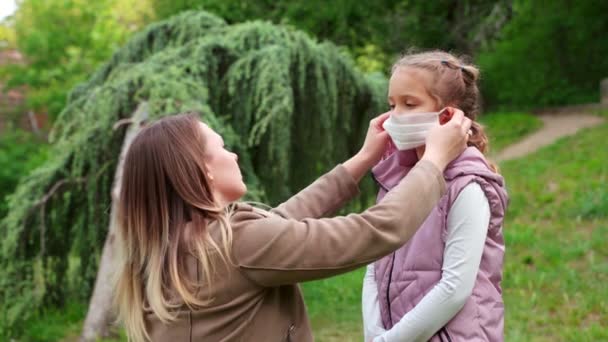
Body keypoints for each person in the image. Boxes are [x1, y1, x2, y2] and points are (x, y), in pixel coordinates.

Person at [113, 107, 471, 341]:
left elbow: (277, 224)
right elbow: (373, 232)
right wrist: (435, 161)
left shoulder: (170, 250)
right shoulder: (238, 244)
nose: (233, 155)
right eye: (222, 147)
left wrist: (362, 160)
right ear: (202, 169)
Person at [362, 50, 509, 342]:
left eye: (409, 104)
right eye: (392, 105)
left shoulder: (468, 185)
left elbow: (455, 288)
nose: (395, 117)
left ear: (449, 116)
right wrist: (374, 333)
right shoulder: (395, 179)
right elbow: (373, 267)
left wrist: (391, 340)